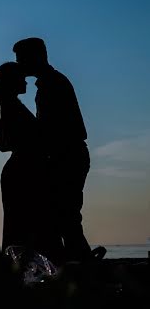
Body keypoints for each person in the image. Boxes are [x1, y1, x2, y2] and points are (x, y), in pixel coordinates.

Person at [13, 38, 101, 262]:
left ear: (35, 57)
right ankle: (81, 267)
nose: (19, 64)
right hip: (67, 155)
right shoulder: (50, 83)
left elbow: (52, 128)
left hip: (67, 156)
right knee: (65, 218)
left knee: (66, 218)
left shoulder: (53, 84)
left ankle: (84, 268)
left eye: (21, 59)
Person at [0, 62, 63, 263]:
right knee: (32, 227)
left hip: (20, 168)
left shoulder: (1, 108)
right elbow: (33, 139)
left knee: (18, 227)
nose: (26, 83)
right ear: (12, 81)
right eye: (22, 79)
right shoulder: (11, 107)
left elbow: (3, 145)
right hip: (26, 170)